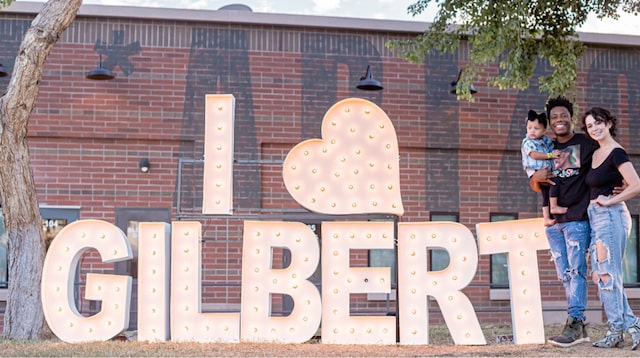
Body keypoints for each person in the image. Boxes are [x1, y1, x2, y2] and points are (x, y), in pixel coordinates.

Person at [529, 96, 597, 348]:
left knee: (576, 271)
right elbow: (535, 184)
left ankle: (574, 322)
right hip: (553, 223)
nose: (559, 120)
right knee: (564, 275)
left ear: (571, 117)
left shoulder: (585, 143)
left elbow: (605, 165)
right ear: (550, 121)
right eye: (554, 117)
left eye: (563, 115)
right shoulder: (545, 146)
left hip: (577, 218)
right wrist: (537, 176)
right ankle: (581, 327)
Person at [580, 107, 640, 350]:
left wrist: (610, 200)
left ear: (609, 123)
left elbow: (636, 184)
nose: (594, 128)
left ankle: (625, 326)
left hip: (611, 217)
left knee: (607, 275)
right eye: (589, 125)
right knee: (603, 276)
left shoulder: (616, 153)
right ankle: (620, 328)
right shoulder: (596, 153)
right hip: (596, 218)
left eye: (598, 123)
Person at [521, 109, 565, 226]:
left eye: (536, 128)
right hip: (535, 169)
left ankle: (546, 218)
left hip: (545, 168)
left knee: (545, 194)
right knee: (555, 182)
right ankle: (554, 207)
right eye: (529, 128)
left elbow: (552, 148)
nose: (532, 131)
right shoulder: (528, 142)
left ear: (544, 130)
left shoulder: (545, 140)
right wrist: (550, 155)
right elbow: (534, 154)